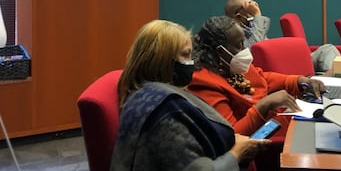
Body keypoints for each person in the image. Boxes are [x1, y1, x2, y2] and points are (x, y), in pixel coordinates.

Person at [111, 19, 268, 171]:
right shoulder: (165, 111)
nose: (192, 62)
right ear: (164, 62)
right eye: (186, 55)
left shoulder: (151, 94)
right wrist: (236, 153)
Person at [188, 15, 325, 137]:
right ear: (221, 52)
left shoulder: (231, 65)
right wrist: (264, 105)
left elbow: (262, 78)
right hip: (262, 143)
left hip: (280, 124)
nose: (244, 50)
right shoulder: (203, 82)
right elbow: (232, 135)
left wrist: (298, 81)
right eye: (239, 45)